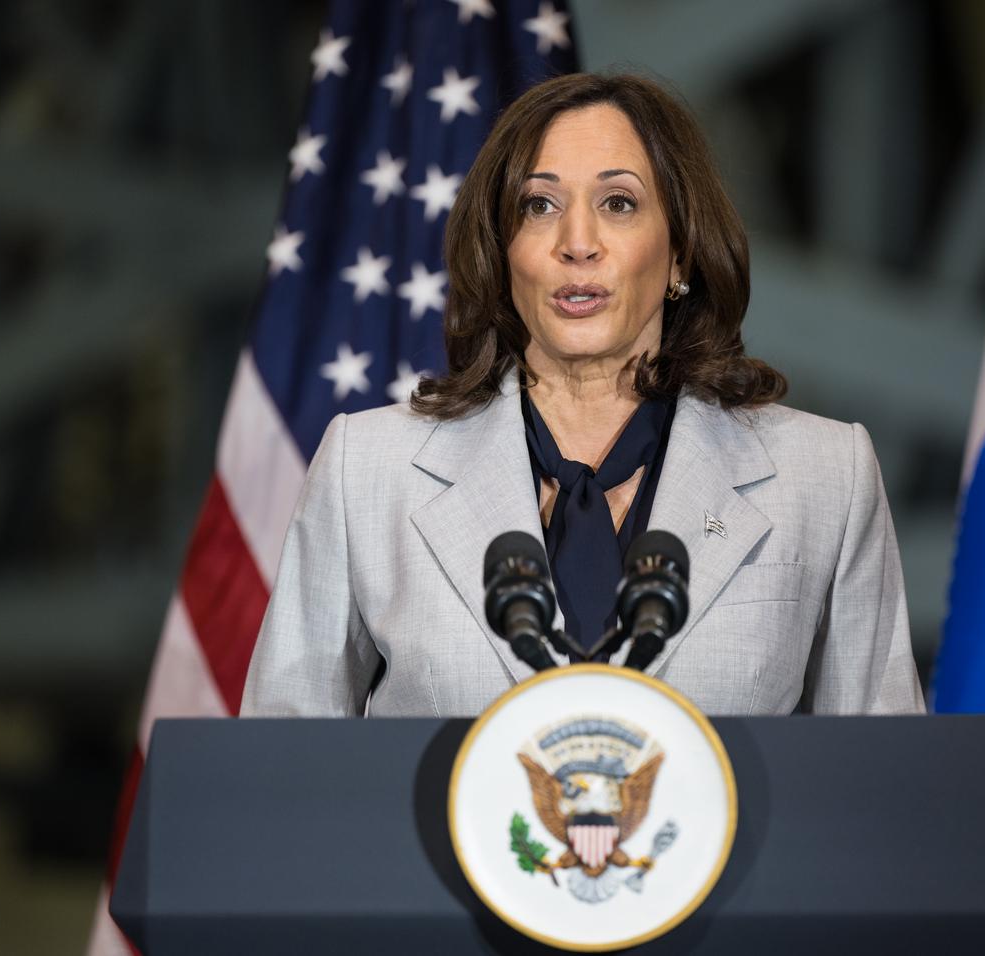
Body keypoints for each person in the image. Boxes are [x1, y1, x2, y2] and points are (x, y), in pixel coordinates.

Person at [241, 73, 924, 718]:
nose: (577, 243)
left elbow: (882, 791)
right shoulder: (366, 471)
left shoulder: (824, 477)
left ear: (680, 252)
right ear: (504, 252)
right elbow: (280, 773)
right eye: (540, 206)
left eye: (618, 204)